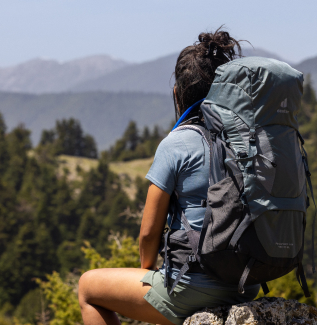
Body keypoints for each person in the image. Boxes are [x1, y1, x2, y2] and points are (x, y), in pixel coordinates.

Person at [78, 28, 260, 325]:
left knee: (87, 287)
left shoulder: (176, 143)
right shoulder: (246, 139)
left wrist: (148, 272)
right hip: (247, 283)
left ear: (177, 93)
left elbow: (149, 232)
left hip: (194, 287)